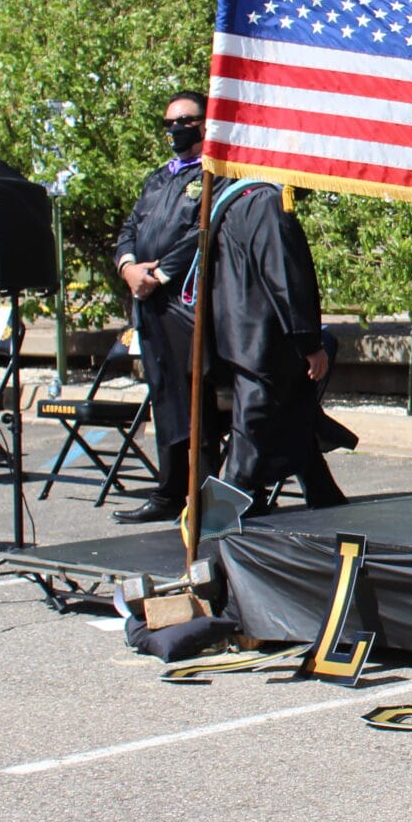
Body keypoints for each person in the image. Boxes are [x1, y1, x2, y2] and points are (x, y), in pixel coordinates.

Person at [204, 179, 347, 510]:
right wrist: (309, 342)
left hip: (239, 334)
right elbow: (284, 275)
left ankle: (325, 496)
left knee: (295, 418)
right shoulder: (267, 202)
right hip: (265, 340)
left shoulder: (233, 199)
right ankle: (219, 516)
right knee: (251, 438)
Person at [109, 91, 210, 523]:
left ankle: (204, 495)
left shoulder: (212, 175)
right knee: (164, 399)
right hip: (149, 307)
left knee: (195, 404)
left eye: (184, 121)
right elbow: (130, 228)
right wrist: (129, 268)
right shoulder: (157, 179)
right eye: (168, 123)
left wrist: (159, 275)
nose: (175, 130)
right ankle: (169, 490)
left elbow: (203, 232)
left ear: (204, 122)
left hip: (185, 306)